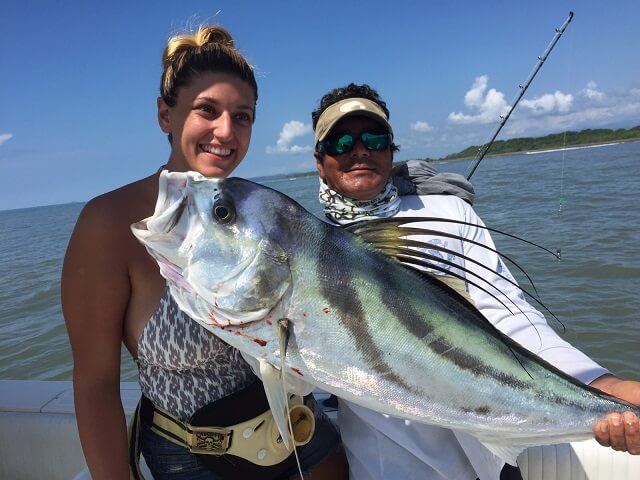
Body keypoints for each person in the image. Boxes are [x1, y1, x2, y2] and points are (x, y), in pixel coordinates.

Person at [310, 83, 640, 480]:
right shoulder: (309, 246)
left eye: (374, 138)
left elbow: (509, 317)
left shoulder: (448, 213)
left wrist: (606, 386)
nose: (359, 150)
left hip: (490, 454)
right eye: (342, 141)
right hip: (385, 466)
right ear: (320, 159)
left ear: (392, 149)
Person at [62, 25, 348, 480]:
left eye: (243, 116)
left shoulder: (262, 215)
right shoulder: (108, 225)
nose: (225, 131)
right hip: (191, 459)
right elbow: (95, 384)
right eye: (207, 110)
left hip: (303, 440)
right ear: (165, 115)